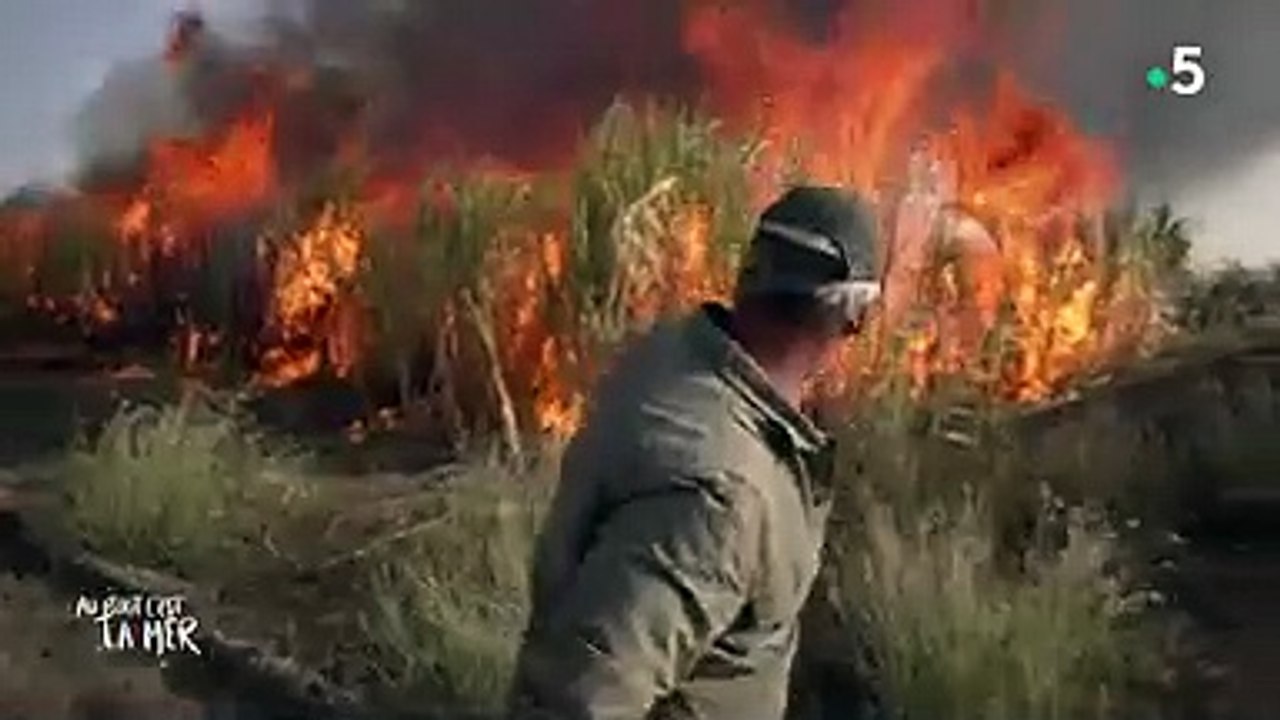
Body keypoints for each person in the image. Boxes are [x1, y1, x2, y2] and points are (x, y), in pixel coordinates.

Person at [508, 186, 884, 720]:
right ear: (853, 319)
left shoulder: (677, 354)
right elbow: (588, 697)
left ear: (748, 275)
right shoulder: (721, 499)